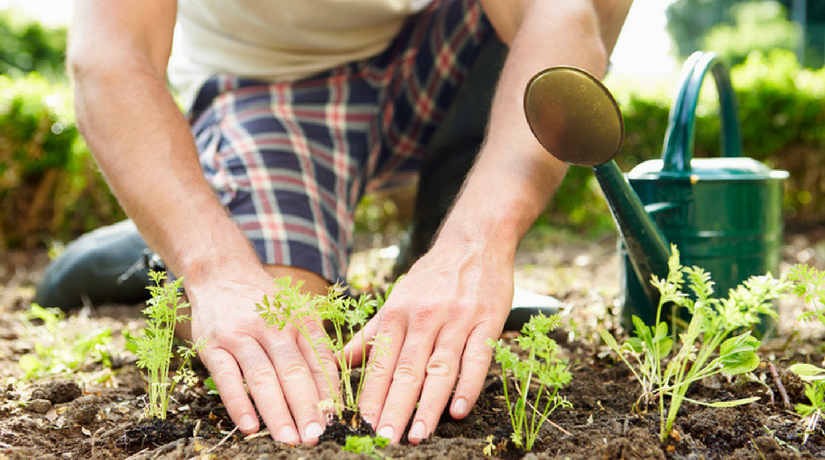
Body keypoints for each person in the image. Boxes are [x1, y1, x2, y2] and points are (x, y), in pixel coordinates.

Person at [63, 0, 631, 446]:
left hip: (435, 53)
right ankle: (175, 235)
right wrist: (213, 267)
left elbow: (562, 15)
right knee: (283, 317)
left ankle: (435, 251)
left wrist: (478, 241)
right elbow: (110, 54)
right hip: (274, 83)